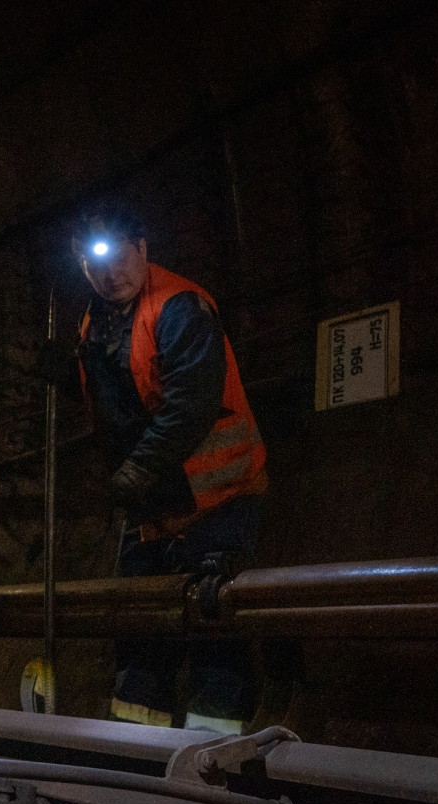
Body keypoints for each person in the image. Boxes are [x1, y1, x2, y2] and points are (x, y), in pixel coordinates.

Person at [71, 202, 267, 735]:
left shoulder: (181, 307)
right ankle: (135, 753)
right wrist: (64, 376)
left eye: (118, 259)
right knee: (139, 633)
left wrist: (136, 471)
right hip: (155, 507)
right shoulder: (95, 322)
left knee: (214, 632)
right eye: (94, 265)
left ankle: (212, 760)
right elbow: (119, 402)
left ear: (142, 248)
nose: (109, 275)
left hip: (217, 498)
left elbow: (190, 407)